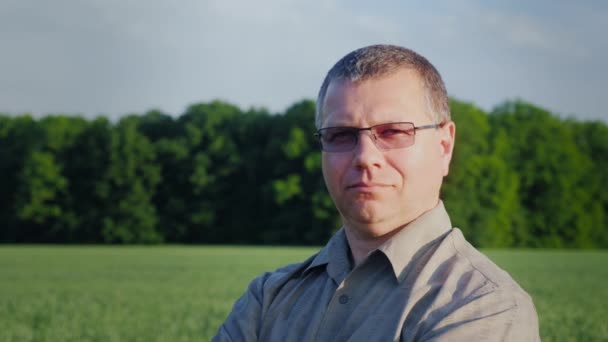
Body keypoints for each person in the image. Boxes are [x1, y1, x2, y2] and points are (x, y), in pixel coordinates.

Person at [213, 44, 540, 341]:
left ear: (444, 146)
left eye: (394, 132)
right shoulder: (269, 296)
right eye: (341, 134)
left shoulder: (483, 306)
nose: (365, 157)